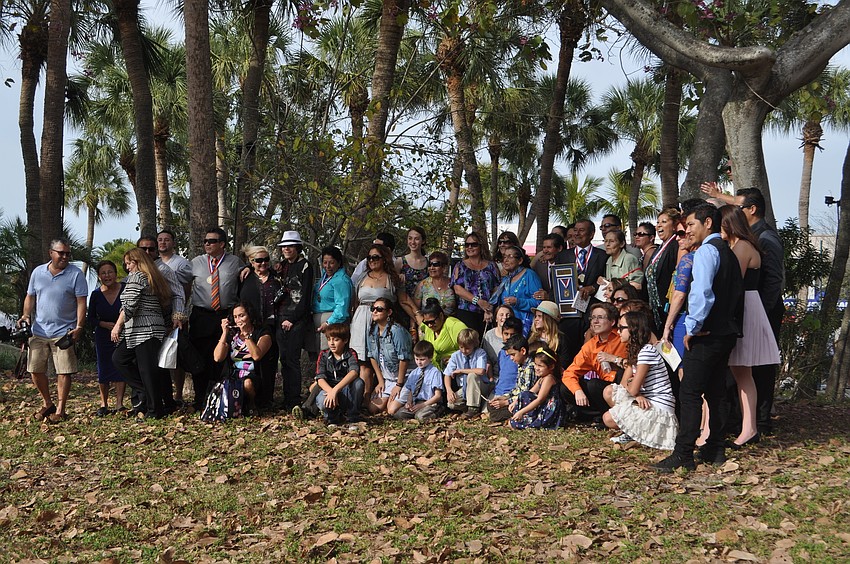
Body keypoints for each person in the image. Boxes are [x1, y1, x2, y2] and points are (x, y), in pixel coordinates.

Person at [651, 204, 744, 473]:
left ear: (708, 223)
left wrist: (692, 327)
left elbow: (702, 293)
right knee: (715, 391)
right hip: (726, 331)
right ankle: (715, 447)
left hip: (705, 332)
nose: (687, 230)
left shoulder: (706, 251)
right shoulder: (728, 252)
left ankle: (683, 454)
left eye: (691, 225)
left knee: (690, 392)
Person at [720, 205, 780, 448]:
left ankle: (749, 427)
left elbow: (732, 282)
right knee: (741, 373)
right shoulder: (741, 245)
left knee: (743, 373)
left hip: (745, 308)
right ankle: (749, 426)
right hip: (744, 306)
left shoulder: (742, 246)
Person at [20, 239, 88, 423]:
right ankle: (47, 402)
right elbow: (30, 296)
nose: (65, 256)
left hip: (64, 332)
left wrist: (79, 326)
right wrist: (26, 315)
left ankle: (60, 409)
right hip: (39, 331)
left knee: (64, 371)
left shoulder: (76, 275)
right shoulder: (38, 272)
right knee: (34, 370)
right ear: (51, 253)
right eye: (61, 253)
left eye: (68, 253)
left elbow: (81, 302)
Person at [738, 188, 785, 436]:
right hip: (755, 309)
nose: (737, 213)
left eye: (740, 208)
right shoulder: (751, 236)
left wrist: (762, 313)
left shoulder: (766, 237)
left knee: (763, 367)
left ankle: (762, 421)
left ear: (752, 210)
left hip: (765, 310)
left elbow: (774, 280)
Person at [111, 248, 173, 419]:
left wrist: (117, 326)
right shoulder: (154, 277)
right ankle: (149, 395)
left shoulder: (138, 277)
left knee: (146, 370)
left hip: (143, 330)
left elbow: (129, 305)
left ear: (138, 263)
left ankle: (155, 410)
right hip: (148, 329)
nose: (127, 267)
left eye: (129, 263)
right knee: (123, 360)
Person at [351, 243, 418, 397]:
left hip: (383, 323)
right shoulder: (362, 277)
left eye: (376, 257)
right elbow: (354, 302)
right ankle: (362, 399)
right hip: (361, 321)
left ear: (384, 259)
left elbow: (404, 300)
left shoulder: (392, 279)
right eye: (369, 258)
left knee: (381, 358)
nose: (372, 260)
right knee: (363, 363)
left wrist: (418, 316)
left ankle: (382, 393)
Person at [189, 228, 245, 411]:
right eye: (205, 241)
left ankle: (220, 398)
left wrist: (248, 269)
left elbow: (248, 273)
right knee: (199, 358)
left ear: (222, 244)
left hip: (225, 316)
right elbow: (180, 284)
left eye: (211, 241)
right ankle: (199, 399)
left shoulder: (235, 262)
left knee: (222, 359)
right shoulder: (195, 263)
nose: (207, 244)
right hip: (201, 316)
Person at [604, 311, 678, 449]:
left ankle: (635, 433)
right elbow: (623, 384)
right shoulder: (636, 351)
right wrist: (636, 394)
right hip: (647, 401)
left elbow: (632, 388)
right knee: (610, 391)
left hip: (660, 409)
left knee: (608, 418)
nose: (618, 332)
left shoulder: (647, 351)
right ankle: (632, 432)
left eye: (621, 328)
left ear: (632, 329)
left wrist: (636, 393)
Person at [561, 303, 628, 417]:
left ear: (612, 322)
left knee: (594, 384)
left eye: (600, 317)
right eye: (593, 318)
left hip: (623, 384)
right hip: (602, 387)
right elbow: (569, 373)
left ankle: (612, 414)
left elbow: (635, 366)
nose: (595, 321)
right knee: (566, 388)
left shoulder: (623, 337)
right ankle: (597, 415)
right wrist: (577, 391)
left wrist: (615, 359)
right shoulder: (590, 346)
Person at [557, 219, 608, 363]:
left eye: (581, 230)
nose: (577, 234)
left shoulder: (602, 256)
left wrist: (593, 288)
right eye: (575, 230)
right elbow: (557, 285)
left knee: (590, 348)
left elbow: (607, 280)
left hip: (592, 309)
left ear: (591, 234)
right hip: (569, 311)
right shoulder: (563, 256)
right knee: (569, 349)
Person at [274, 231, 314, 411]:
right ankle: (286, 398)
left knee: (293, 359)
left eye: (290, 246)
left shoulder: (305, 266)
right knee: (284, 359)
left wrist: (292, 319)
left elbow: (305, 297)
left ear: (298, 247)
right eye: (284, 246)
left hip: (296, 319)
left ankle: (294, 399)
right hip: (280, 316)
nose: (287, 249)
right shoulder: (281, 266)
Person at [238, 245, 281, 408]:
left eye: (266, 259)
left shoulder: (276, 277)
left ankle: (266, 399)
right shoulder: (243, 277)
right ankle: (248, 399)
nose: (263, 263)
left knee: (269, 363)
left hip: (271, 326)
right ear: (251, 261)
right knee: (248, 361)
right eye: (258, 260)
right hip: (250, 326)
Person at [213, 302, 272, 415]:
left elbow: (256, 355)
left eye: (241, 315)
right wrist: (224, 333)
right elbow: (217, 358)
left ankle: (252, 404)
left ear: (249, 316)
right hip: (233, 374)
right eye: (235, 317)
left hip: (253, 376)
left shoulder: (263, 333)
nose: (238, 320)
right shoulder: (233, 335)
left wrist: (246, 336)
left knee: (247, 383)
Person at [156, 230, 192, 404]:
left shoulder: (181, 264)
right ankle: (163, 393)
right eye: (160, 240)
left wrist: (178, 313)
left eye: (167, 240)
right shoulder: (153, 263)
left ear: (173, 243)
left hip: (177, 316)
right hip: (157, 317)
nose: (163, 243)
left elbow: (184, 290)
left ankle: (178, 394)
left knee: (176, 356)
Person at [88, 260, 126, 415]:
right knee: (103, 369)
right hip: (103, 337)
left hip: (123, 334)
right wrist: (104, 324)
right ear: (99, 276)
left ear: (116, 274)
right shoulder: (96, 294)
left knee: (120, 367)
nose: (107, 275)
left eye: (110, 272)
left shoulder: (124, 289)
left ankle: (119, 404)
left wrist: (119, 325)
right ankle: (103, 404)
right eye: (103, 273)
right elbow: (91, 319)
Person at [366, 297, 413, 414]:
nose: (374, 311)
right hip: (388, 379)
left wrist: (399, 384)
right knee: (372, 408)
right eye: (373, 308)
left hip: (405, 378)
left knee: (391, 410)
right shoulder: (372, 331)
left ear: (389, 312)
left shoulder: (397, 331)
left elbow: (404, 358)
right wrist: (380, 381)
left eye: (379, 309)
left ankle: (412, 399)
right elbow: (372, 356)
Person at [313, 323, 365, 425]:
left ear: (345, 340)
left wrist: (336, 390)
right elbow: (320, 378)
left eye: (336, 340)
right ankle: (331, 418)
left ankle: (352, 417)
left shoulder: (350, 353)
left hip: (345, 390)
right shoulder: (323, 355)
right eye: (329, 339)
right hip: (328, 389)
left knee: (359, 383)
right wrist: (331, 391)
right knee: (323, 400)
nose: (332, 343)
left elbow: (354, 372)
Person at [451, 231, 500, 334]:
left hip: (488, 312)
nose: (470, 247)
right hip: (467, 311)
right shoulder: (460, 266)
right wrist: (477, 301)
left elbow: (496, 288)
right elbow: (457, 289)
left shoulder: (492, 266)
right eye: (467, 245)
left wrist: (489, 307)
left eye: (473, 244)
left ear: (481, 246)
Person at [308, 246, 353, 355]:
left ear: (338, 263)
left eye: (331, 263)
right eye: (325, 262)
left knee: (329, 356)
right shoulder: (326, 276)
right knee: (321, 357)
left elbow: (342, 308)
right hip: (320, 322)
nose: (327, 266)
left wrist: (328, 322)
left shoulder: (341, 280)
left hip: (332, 323)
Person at [490, 245, 542, 335]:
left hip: (525, 327)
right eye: (504, 256)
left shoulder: (529, 275)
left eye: (510, 256)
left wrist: (518, 302)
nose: (505, 260)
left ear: (520, 260)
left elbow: (538, 303)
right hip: (507, 328)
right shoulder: (505, 280)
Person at [510, 346, 565, 430]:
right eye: (535, 364)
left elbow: (540, 399)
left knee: (513, 424)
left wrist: (521, 412)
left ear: (551, 367)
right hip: (542, 407)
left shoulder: (549, 378)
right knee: (524, 394)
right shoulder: (542, 378)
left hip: (548, 411)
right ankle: (523, 418)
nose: (536, 368)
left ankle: (527, 420)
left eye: (540, 366)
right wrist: (515, 402)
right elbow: (531, 392)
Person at [389, 340, 445, 421]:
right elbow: (411, 391)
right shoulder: (414, 372)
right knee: (399, 414)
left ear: (430, 357)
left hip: (430, 403)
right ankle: (416, 414)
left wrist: (423, 405)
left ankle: (438, 412)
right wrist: (409, 402)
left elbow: (437, 395)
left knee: (421, 417)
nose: (419, 362)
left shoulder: (435, 372)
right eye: (416, 359)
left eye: (422, 359)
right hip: (416, 402)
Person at [645, 209, 681, 331]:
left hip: (667, 306)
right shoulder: (659, 248)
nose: (659, 225)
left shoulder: (676, 246)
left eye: (664, 222)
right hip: (656, 309)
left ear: (675, 225)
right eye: (658, 222)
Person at [443, 328, 490, 418]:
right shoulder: (455, 356)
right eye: (461, 347)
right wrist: (449, 390)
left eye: (467, 348)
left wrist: (461, 370)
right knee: (451, 404)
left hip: (480, 386)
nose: (464, 351)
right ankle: (471, 406)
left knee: (472, 375)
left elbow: (481, 371)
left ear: (474, 345)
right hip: (464, 388)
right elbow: (447, 374)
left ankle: (473, 408)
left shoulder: (480, 353)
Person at [485, 317, 523, 422]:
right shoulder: (502, 352)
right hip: (499, 391)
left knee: (495, 414)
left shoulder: (520, 355)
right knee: (489, 407)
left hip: (513, 393)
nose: (508, 338)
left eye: (512, 335)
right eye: (506, 334)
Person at [419, 298, 468, 369]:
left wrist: (454, 359)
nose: (429, 325)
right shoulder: (427, 326)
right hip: (434, 369)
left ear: (441, 316)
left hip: (457, 368)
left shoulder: (455, 326)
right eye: (426, 322)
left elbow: (471, 348)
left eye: (432, 322)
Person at [528, 301, 568, 372]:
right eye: (536, 316)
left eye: (539, 316)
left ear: (548, 319)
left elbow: (564, 362)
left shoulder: (561, 339)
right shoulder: (531, 336)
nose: (536, 319)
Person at [413, 250, 456, 315]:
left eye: (436, 264)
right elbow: (416, 309)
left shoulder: (452, 283)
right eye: (430, 265)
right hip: (429, 323)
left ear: (443, 267)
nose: (432, 268)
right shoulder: (423, 284)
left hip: (450, 322)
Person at [482, 304, 514, 380]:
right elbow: (487, 359)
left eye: (508, 315)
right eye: (501, 315)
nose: (505, 317)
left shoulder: (515, 335)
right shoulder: (489, 335)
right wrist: (491, 378)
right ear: (496, 318)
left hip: (509, 378)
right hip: (492, 377)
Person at [531, 233, 565, 301]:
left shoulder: (566, 265)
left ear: (559, 248)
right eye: (544, 247)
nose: (545, 251)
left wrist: (549, 297)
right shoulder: (539, 265)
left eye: (549, 247)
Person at [397, 227, 429, 299]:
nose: (413, 242)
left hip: (423, 305)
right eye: (410, 238)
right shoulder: (400, 261)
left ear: (423, 241)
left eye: (416, 239)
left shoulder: (428, 262)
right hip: (404, 304)